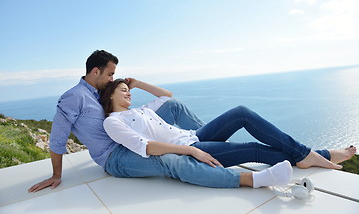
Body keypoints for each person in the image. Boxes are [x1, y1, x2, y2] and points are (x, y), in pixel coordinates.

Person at [28, 50, 294, 192]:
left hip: (127, 129)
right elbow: (58, 137)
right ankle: (249, 179)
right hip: (116, 154)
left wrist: (135, 85)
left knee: (173, 105)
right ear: (95, 71)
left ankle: (203, 142)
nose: (113, 79)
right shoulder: (73, 98)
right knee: (171, 161)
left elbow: (161, 100)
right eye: (110, 74)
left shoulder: (102, 91)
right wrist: (56, 174)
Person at [100, 78, 357, 175]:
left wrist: (138, 83)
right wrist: (192, 151)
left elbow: (167, 96)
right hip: (192, 148)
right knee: (253, 149)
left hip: (194, 136)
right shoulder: (113, 122)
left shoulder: (140, 110)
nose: (128, 94)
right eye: (123, 91)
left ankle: (304, 154)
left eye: (127, 91)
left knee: (241, 113)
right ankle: (316, 155)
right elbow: (145, 147)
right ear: (110, 96)